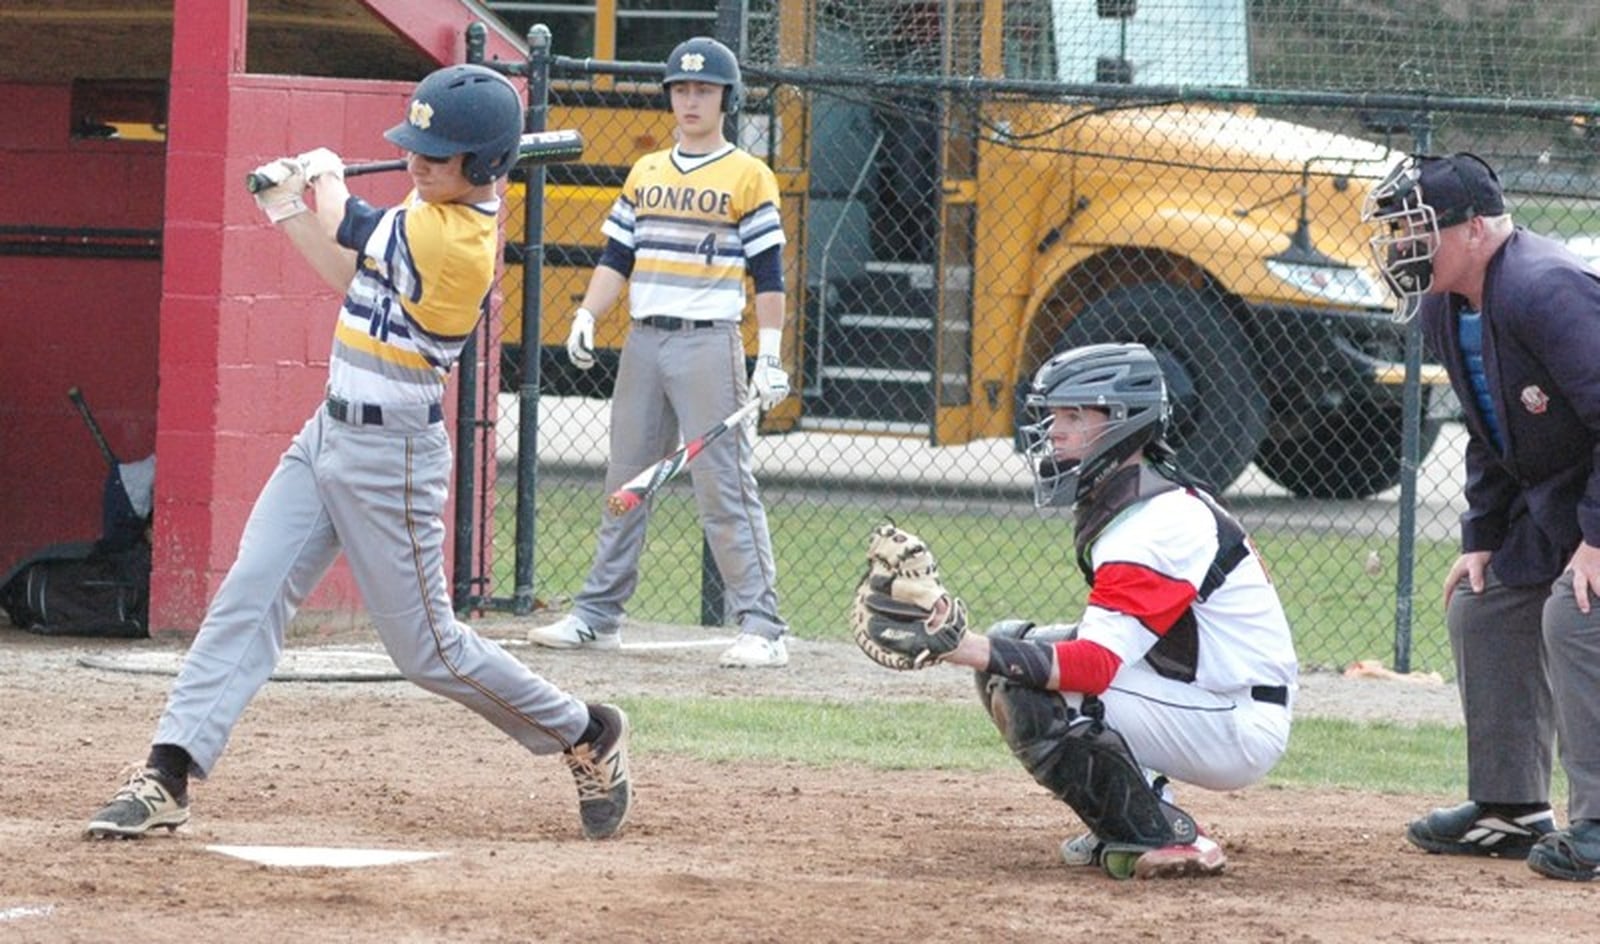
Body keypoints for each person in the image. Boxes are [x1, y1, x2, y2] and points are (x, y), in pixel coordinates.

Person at [84, 64, 631, 842]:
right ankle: (168, 773)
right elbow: (352, 272)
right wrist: (286, 209)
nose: (415, 165)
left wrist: (324, 175)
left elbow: (350, 223)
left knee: (429, 651)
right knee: (249, 593)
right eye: (414, 150)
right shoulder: (429, 205)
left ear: (482, 168)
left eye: (434, 159)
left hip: (393, 457)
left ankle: (584, 730)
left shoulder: (458, 240)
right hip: (326, 435)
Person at [939, 343, 1298, 878]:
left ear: (1122, 423)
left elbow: (1095, 666)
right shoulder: (1138, 499)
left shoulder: (1156, 524)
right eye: (1055, 415)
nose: (1055, 431)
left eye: (1075, 415)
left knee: (1021, 677)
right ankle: (1134, 815)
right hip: (1202, 694)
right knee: (1015, 648)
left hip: (1235, 717)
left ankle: (1164, 835)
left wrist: (963, 647)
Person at [1364, 152, 1600, 880]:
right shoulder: (1445, 303)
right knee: (1485, 601)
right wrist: (1482, 538)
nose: (1402, 245)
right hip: (1562, 496)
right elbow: (1489, 428)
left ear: (1473, 230)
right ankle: (1510, 810)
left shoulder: (1544, 287)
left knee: (1579, 613)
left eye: (1416, 229)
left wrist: (1596, 542)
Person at [528, 36, 791, 669]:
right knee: (627, 479)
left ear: (726, 98)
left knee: (722, 484)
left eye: (703, 90)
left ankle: (763, 626)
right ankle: (598, 615)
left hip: (708, 341)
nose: (691, 100)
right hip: (645, 339)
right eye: (681, 88)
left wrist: (771, 354)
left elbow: (770, 273)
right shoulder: (646, 170)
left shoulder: (749, 174)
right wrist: (589, 313)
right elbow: (618, 255)